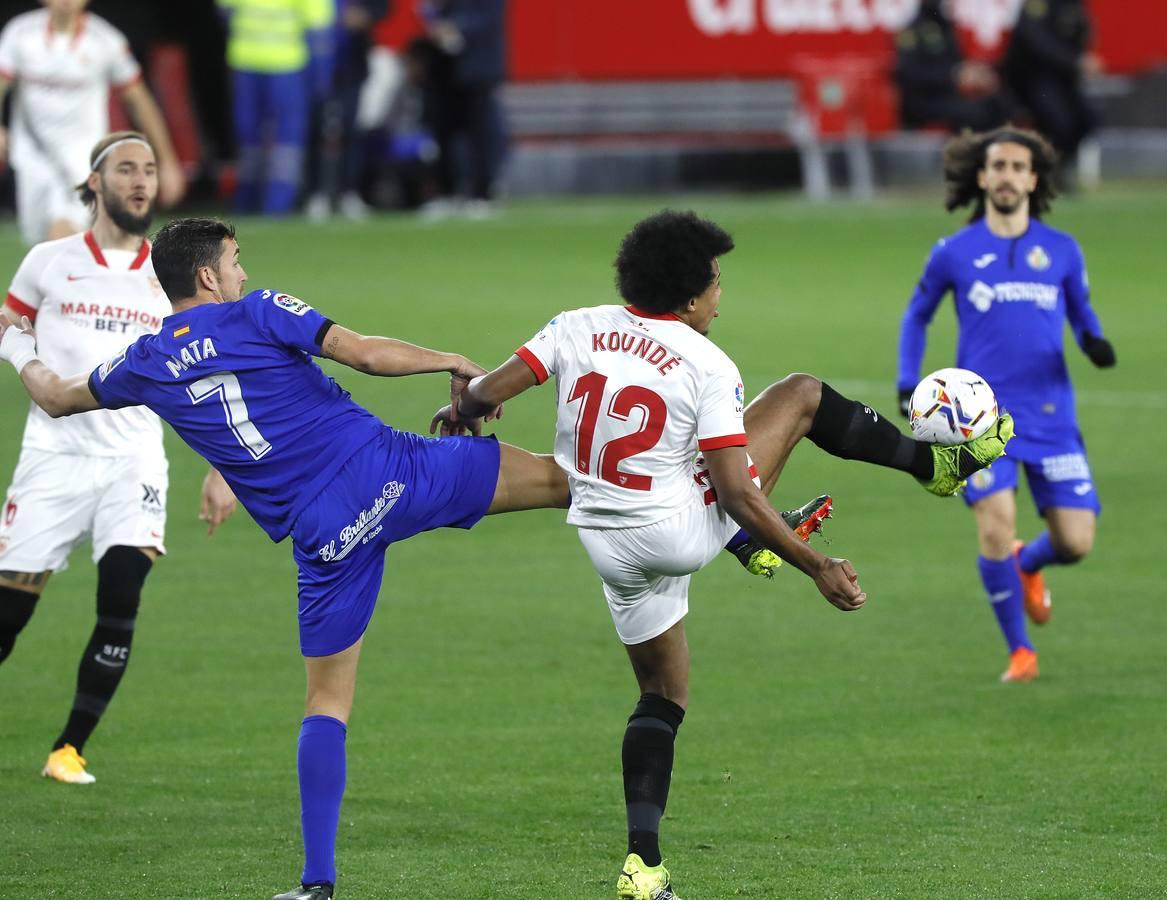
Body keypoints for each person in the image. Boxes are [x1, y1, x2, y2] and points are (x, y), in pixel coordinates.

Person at [0, 210, 1011, 897]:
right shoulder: (258, 312)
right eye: (236, 260)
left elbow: (62, 396)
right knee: (601, 476)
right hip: (391, 471)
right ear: (212, 273)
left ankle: (315, 881)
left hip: (318, 538)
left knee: (325, 703)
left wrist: (28, 353)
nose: (246, 271)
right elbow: (358, 352)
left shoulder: (139, 361)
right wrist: (448, 363)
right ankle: (812, 511)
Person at [449, 209, 1015, 900]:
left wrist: (466, 408)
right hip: (678, 531)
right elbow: (737, 490)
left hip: (605, 543)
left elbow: (488, 389)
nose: (722, 295)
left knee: (662, 693)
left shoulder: (574, 324)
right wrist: (817, 566)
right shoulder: (705, 362)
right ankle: (932, 468)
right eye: (716, 283)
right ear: (689, 297)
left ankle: (642, 864)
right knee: (801, 396)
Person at [0, 132, 233, 786]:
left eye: (150, 170)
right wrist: (30, 368)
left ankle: (69, 748)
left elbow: (215, 372)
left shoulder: (174, 278)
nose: (140, 180)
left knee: (121, 595)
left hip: (133, 459)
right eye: (126, 168)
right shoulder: (49, 261)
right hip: (53, 457)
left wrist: (222, 466)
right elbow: (9, 323)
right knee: (9, 617)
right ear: (95, 182)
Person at [895, 126, 1116, 683]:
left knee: (1076, 542)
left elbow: (1082, 311)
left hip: (1052, 419)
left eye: (1019, 167)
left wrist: (1093, 340)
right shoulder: (954, 252)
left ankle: (1029, 563)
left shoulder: (1062, 249)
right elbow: (916, 315)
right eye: (999, 166)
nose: (1008, 176)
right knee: (994, 527)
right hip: (980, 423)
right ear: (982, 176)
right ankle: (1020, 651)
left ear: (1033, 179)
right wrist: (907, 381)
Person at [0, 0, 186, 246]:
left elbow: (139, 101)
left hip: (82, 157)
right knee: (40, 245)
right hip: (33, 158)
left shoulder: (105, 40)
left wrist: (167, 160)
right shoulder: (19, 33)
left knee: (62, 234)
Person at [217, 0, 335, 214]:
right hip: (255, 61)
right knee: (251, 137)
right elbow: (319, 26)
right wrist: (321, 71)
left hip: (282, 64)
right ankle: (255, 201)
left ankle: (275, 203)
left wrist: (320, 70)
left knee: (282, 142)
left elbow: (225, 12)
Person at [420, 0, 507, 218]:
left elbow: (487, 17)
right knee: (442, 131)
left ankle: (482, 193)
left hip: (477, 68)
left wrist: (456, 27)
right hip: (445, 69)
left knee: (480, 134)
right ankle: (446, 192)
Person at [304, 0, 389, 221]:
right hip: (315, 61)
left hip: (351, 64)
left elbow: (382, 7)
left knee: (351, 129)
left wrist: (364, 15)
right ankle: (316, 193)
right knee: (316, 129)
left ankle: (348, 192)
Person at [1001, 0, 1100, 177]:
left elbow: (1080, 30)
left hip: (1062, 78)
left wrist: (1080, 59)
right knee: (1058, 120)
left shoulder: (1073, 4)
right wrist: (1073, 61)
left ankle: (1059, 167)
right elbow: (1034, 38)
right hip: (1031, 76)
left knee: (1087, 118)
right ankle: (1044, 170)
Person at [894, 0, 1012, 134]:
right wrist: (952, 75)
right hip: (924, 101)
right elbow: (911, 74)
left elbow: (957, 62)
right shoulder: (912, 30)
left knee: (998, 103)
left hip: (948, 95)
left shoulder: (947, 27)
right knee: (976, 112)